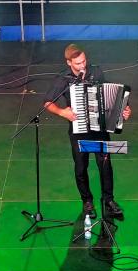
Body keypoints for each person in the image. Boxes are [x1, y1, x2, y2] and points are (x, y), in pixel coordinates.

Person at [44, 44, 131, 219]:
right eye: (78, 63)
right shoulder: (63, 79)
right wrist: (62, 112)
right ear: (69, 62)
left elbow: (109, 95)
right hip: (79, 130)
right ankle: (87, 202)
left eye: (84, 61)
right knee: (81, 166)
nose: (83, 65)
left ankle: (109, 200)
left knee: (105, 164)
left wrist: (123, 110)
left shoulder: (96, 72)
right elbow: (47, 103)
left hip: (99, 128)